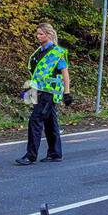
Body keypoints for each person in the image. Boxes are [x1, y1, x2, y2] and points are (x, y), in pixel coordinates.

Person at [15, 23, 73, 165]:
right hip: (38, 92)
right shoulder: (38, 52)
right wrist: (28, 89)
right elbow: (37, 75)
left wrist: (67, 92)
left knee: (35, 120)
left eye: (41, 34)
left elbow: (65, 74)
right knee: (50, 123)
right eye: (37, 34)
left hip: (49, 94)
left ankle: (30, 156)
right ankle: (55, 153)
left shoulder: (56, 53)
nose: (38, 36)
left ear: (48, 35)